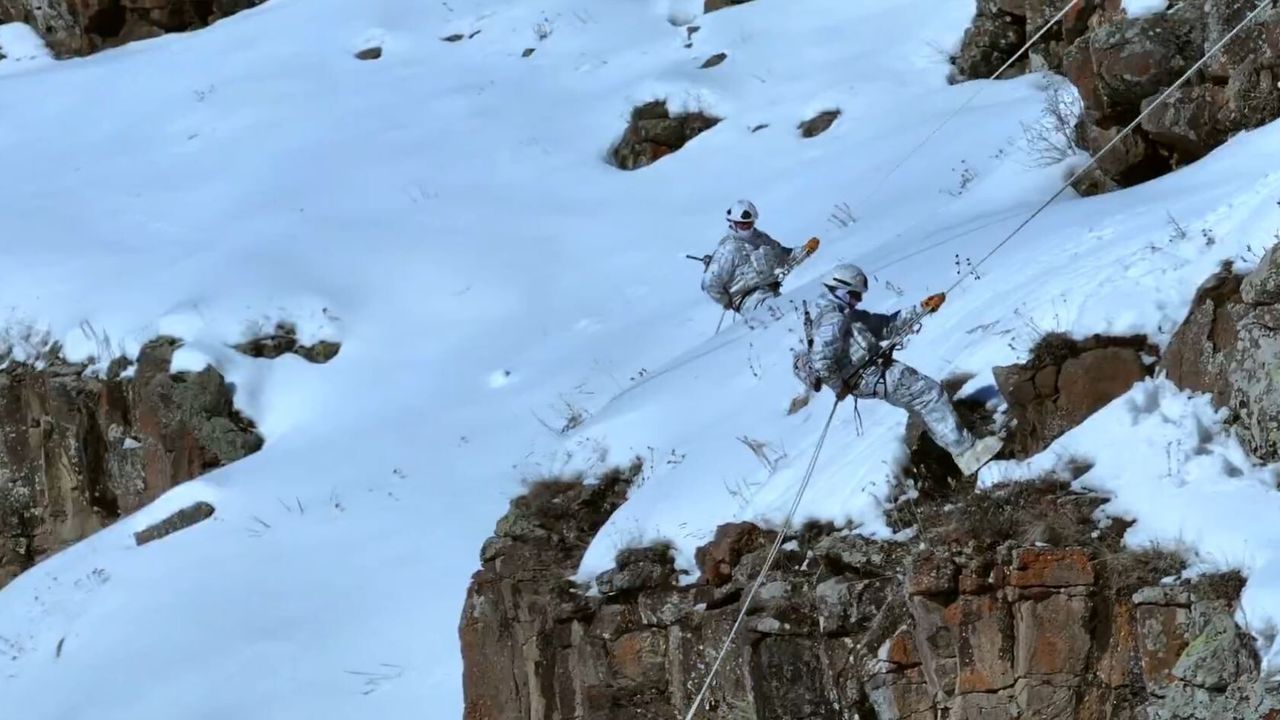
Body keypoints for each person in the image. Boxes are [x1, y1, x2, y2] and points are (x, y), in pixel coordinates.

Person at [792, 263, 1003, 475]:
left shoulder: (844, 314)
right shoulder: (832, 319)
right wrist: (839, 387)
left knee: (922, 402)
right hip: (868, 376)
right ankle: (968, 452)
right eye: (855, 295)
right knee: (929, 395)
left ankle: (960, 451)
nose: (859, 300)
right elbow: (821, 360)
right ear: (841, 291)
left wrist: (922, 308)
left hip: (872, 372)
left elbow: (885, 326)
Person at [701, 200, 817, 314]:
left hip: (772, 293)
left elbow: (786, 257)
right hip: (750, 302)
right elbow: (709, 283)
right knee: (781, 313)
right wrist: (726, 301)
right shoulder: (727, 250)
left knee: (795, 311)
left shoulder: (762, 239)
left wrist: (806, 250)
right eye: (743, 224)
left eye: (750, 223)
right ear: (733, 223)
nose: (747, 227)